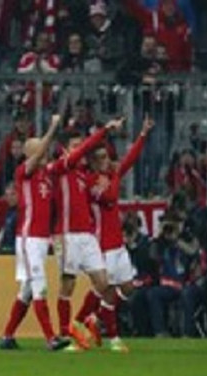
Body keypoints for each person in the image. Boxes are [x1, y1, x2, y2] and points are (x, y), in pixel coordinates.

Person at [70, 115, 154, 352]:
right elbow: (110, 197)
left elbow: (130, 159)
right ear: (93, 162)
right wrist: (115, 176)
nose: (108, 161)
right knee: (104, 290)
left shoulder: (110, 175)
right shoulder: (90, 182)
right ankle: (106, 334)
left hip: (117, 244)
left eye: (107, 157)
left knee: (127, 288)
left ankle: (93, 320)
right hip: (102, 245)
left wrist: (143, 134)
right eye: (102, 158)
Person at [0, 114, 71, 351]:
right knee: (40, 285)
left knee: (27, 290)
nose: (43, 151)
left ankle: (7, 336)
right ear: (30, 153)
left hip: (41, 238)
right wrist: (52, 127)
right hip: (29, 238)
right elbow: (40, 154)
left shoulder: (46, 176)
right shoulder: (23, 171)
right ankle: (51, 338)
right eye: (38, 148)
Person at [52, 117, 125, 351]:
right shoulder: (60, 167)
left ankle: (89, 320)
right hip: (66, 234)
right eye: (75, 146)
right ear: (64, 149)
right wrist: (104, 129)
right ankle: (65, 335)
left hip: (87, 235)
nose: (79, 150)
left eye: (79, 146)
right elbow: (85, 149)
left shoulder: (83, 173)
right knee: (68, 285)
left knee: (104, 283)